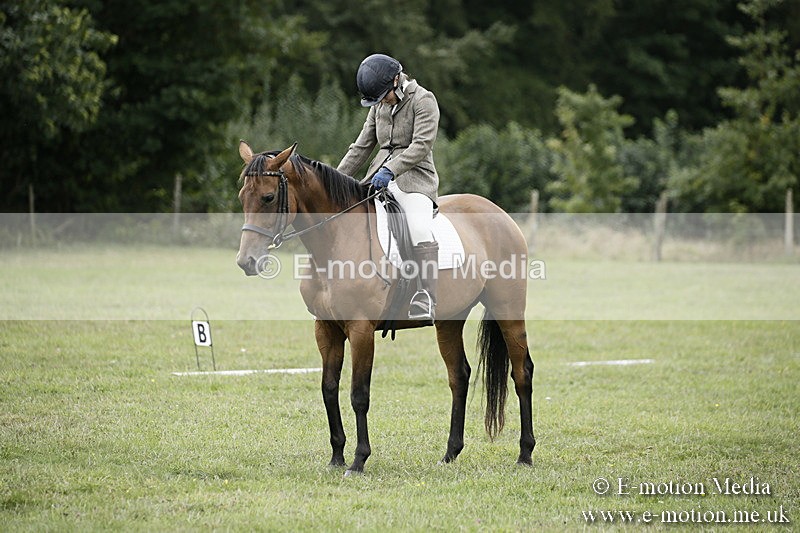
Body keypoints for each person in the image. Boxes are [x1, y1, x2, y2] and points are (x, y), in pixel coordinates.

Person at [337, 53, 439, 322]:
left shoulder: (423, 100)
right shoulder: (378, 106)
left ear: (397, 79)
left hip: (415, 179)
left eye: (384, 96)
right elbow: (361, 147)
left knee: (417, 226)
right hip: (376, 179)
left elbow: (421, 145)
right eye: (377, 99)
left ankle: (426, 295)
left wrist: (391, 169)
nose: (382, 102)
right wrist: (334, 181)